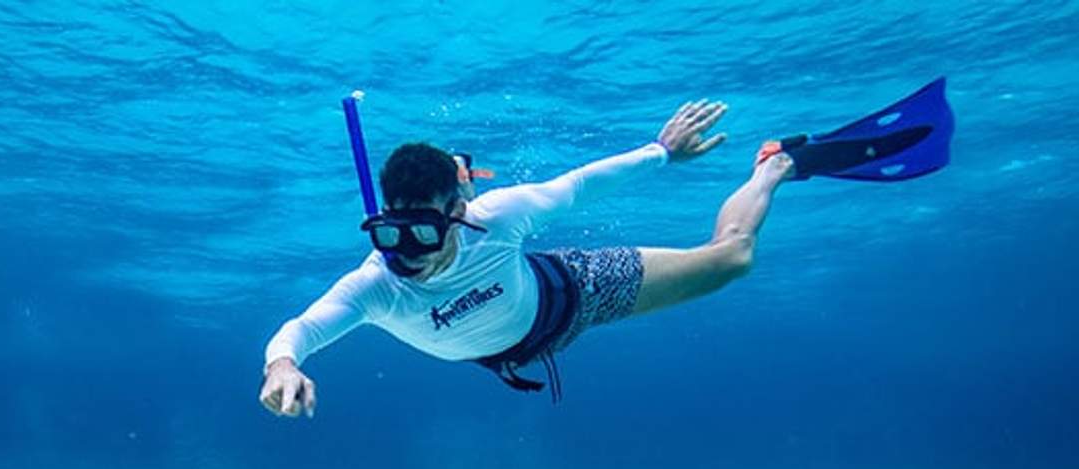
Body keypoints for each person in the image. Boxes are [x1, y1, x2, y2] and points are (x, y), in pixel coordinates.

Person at [260, 79, 953, 417]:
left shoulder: (498, 215)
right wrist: (281, 368)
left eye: (425, 233)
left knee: (733, 259)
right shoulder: (376, 283)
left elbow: (579, 186)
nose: (408, 254)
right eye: (392, 235)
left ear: (458, 210)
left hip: (577, 288)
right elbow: (299, 330)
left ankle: (778, 163)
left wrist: (660, 151)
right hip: (518, 347)